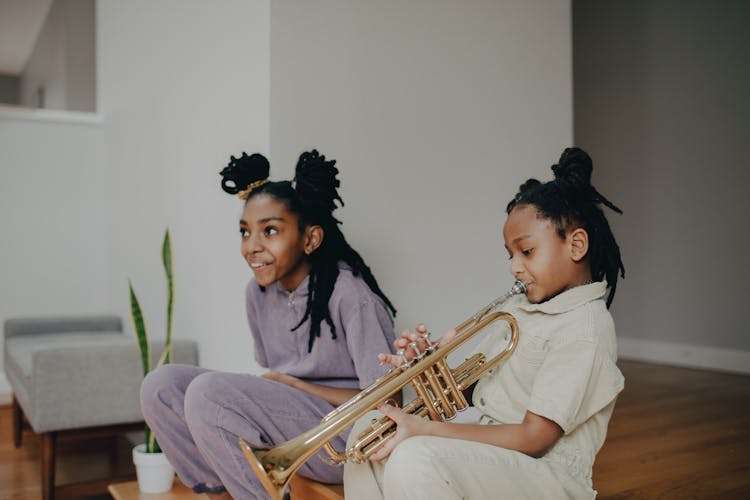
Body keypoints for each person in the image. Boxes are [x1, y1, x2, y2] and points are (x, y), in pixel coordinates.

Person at [344, 147, 625, 499]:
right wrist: (427, 368)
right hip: (490, 446)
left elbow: (533, 438)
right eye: (510, 255)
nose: (514, 266)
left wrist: (424, 432)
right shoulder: (519, 310)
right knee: (370, 431)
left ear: (576, 245)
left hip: (546, 476)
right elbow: (467, 393)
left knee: (416, 456)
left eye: (526, 251)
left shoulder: (586, 328)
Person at [140, 150, 397, 499]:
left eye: (270, 231)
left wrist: (297, 386)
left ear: (310, 239)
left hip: (342, 436)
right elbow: (277, 385)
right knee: (160, 385)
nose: (251, 247)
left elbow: (387, 404)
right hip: (288, 423)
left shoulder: (351, 295)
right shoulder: (258, 294)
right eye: (245, 232)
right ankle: (221, 492)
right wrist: (287, 387)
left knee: (208, 392)